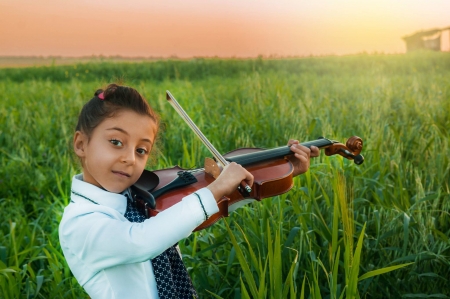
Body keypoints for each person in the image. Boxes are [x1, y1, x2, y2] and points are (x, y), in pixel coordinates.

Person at [59, 83, 319, 299]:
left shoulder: (137, 197)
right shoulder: (79, 223)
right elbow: (141, 241)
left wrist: (282, 169)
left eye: (141, 150)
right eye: (116, 142)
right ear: (81, 144)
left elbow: (197, 210)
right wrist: (214, 190)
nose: (130, 159)